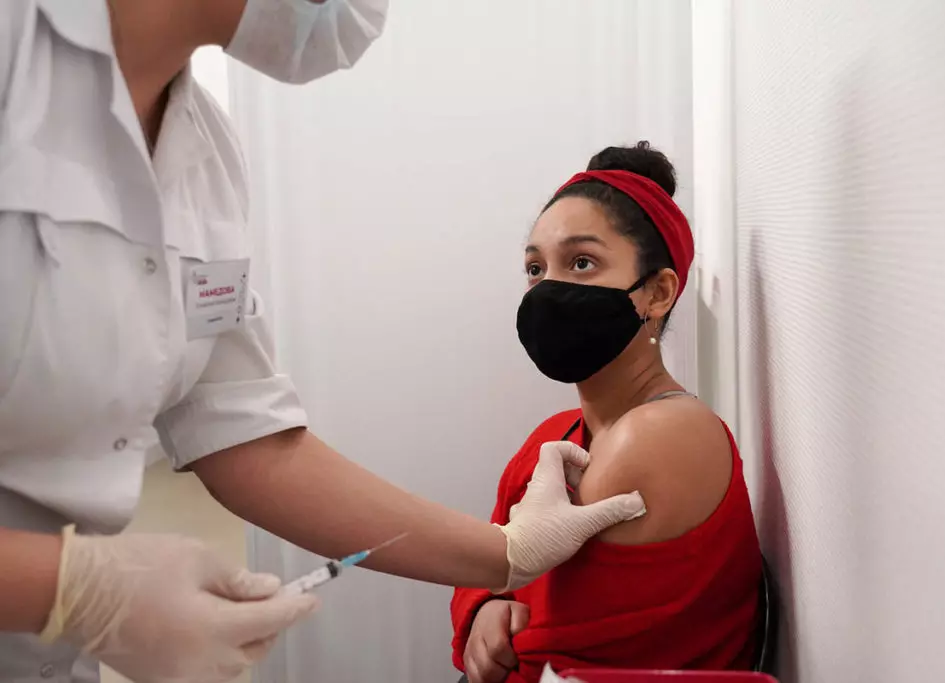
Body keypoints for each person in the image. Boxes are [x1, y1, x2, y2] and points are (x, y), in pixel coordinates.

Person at [0, 2, 647, 682]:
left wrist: (504, 554)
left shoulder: (203, 151)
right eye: (537, 266)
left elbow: (244, 435)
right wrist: (71, 589)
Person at [450, 143, 764, 683]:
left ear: (657, 293)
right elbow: (489, 560)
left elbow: (549, 656)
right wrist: (485, 605)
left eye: (581, 262)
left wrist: (497, 592)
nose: (548, 289)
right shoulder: (555, 435)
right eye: (535, 268)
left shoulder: (658, 437)